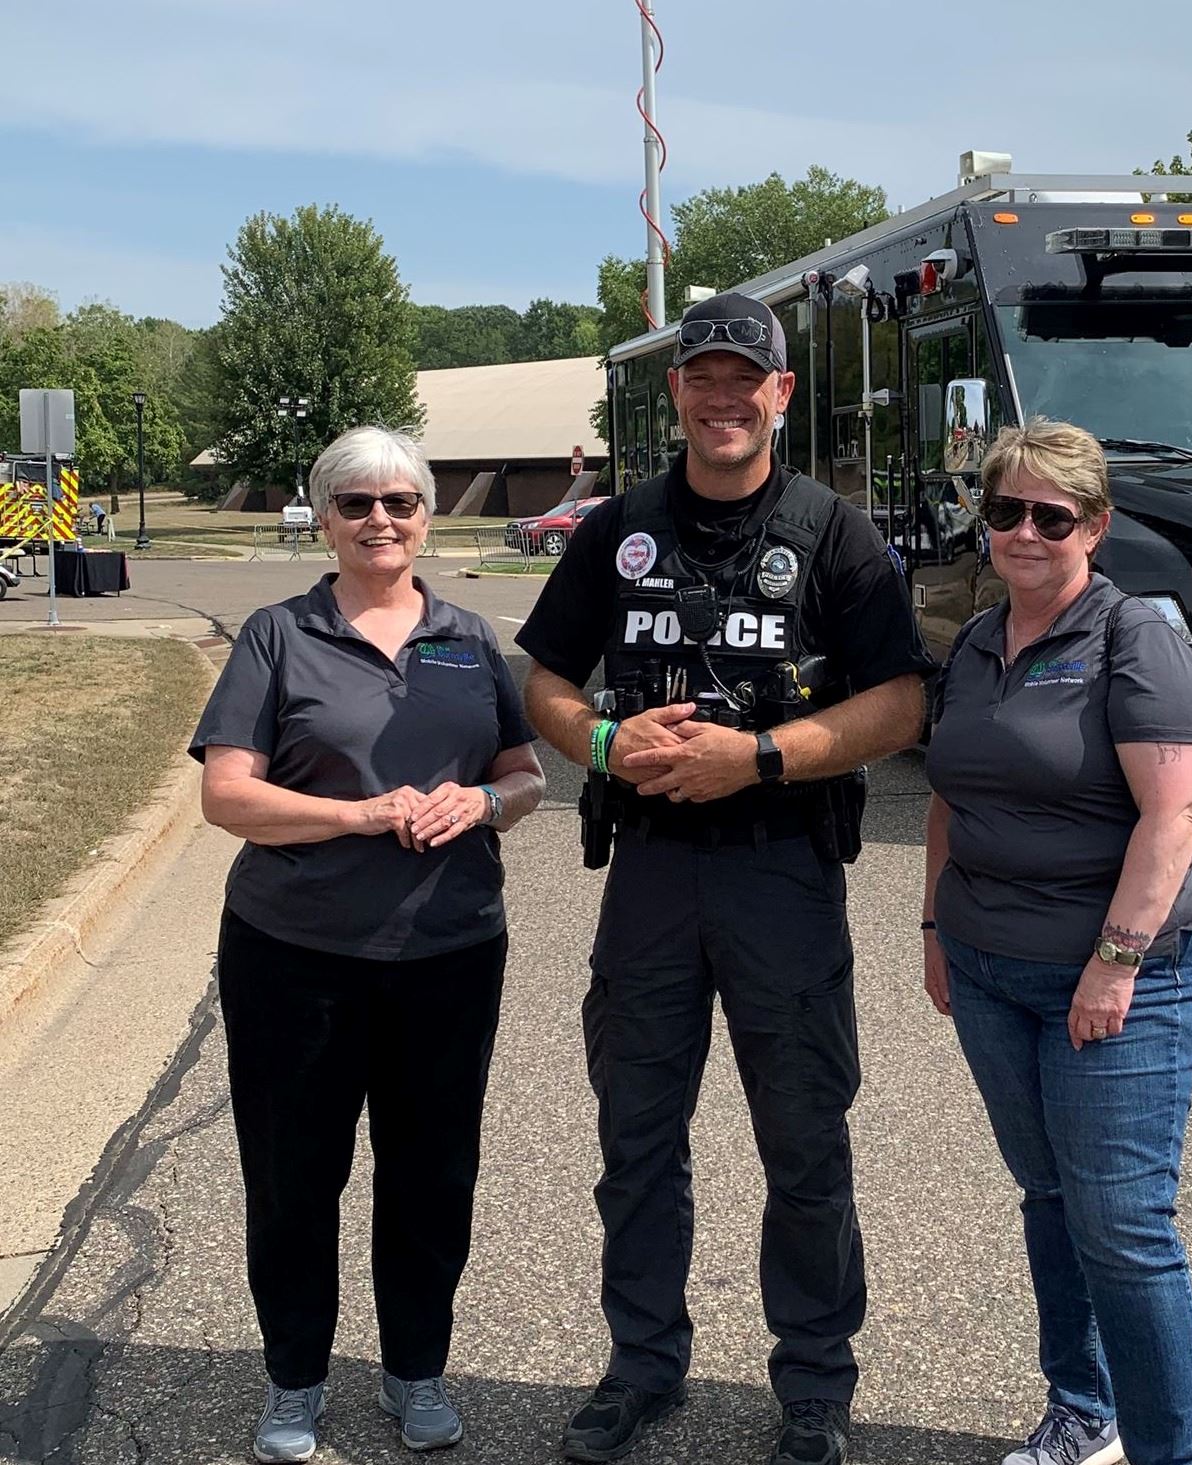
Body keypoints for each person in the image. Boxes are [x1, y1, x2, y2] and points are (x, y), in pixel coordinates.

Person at [517, 291, 932, 1465]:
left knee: (804, 1142)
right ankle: (641, 1367)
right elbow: (540, 675)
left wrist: (755, 757)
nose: (721, 397)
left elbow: (900, 701)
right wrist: (601, 745)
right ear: (677, 393)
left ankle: (813, 1384)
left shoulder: (834, 532)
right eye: (702, 375)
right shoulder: (617, 530)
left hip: (779, 875)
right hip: (648, 876)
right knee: (637, 1139)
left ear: (780, 395)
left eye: (743, 379)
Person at [190, 426, 545, 1463]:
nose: (380, 520)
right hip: (294, 952)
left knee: (433, 1172)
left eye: (400, 502)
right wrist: (357, 815)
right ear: (325, 517)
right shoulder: (278, 635)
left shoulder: (469, 638)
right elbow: (226, 794)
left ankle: (415, 1372)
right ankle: (296, 1379)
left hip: (448, 950)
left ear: (427, 515)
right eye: (357, 504)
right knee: (295, 1174)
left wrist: (481, 800)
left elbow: (525, 775)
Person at [922, 418, 1192, 1465]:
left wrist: (1116, 960)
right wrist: (932, 928)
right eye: (1004, 510)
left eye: (1052, 515)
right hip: (989, 966)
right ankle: (1081, 1411)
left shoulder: (1134, 632)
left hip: (1116, 977)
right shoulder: (973, 639)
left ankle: (1169, 1453)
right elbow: (948, 797)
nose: (1024, 532)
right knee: (1049, 1197)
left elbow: (1177, 811)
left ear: (1092, 525)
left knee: (1125, 1232)